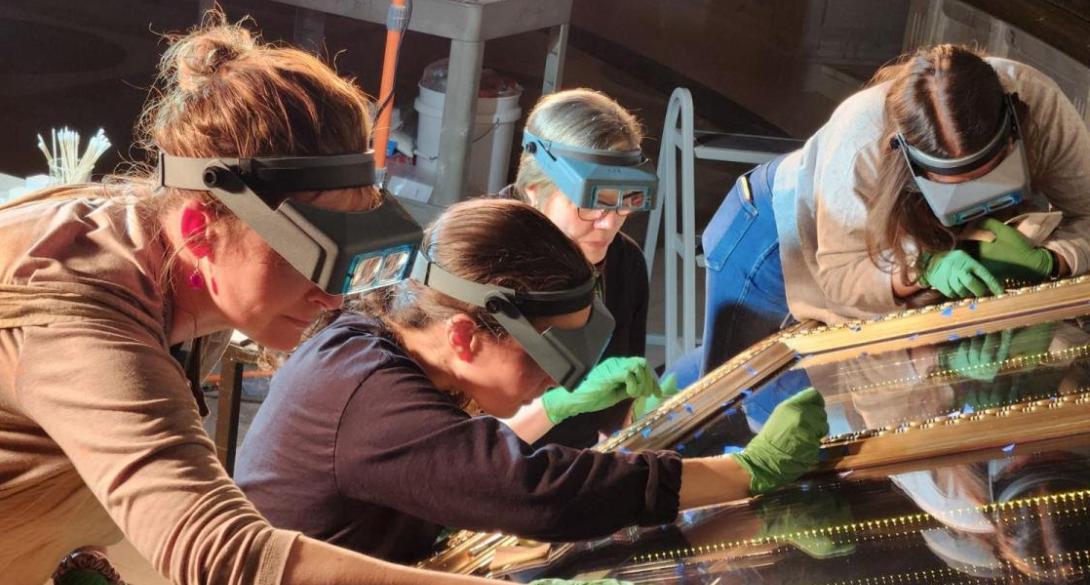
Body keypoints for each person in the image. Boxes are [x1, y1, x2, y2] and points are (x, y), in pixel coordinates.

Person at [0, 14, 521, 585]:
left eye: (346, 261)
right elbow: (218, 553)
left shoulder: (182, 264)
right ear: (197, 229)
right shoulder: (81, 311)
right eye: (306, 259)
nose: (331, 297)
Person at [234, 198, 829, 565]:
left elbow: (452, 457)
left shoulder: (373, 343)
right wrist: (745, 473)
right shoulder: (368, 400)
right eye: (545, 357)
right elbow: (534, 492)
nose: (555, 379)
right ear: (465, 336)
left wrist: (547, 406)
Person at [667, 44, 1090, 388]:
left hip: (868, 235)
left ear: (1013, 126)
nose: (979, 203)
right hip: (774, 239)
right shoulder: (860, 141)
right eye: (956, 186)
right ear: (906, 160)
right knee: (741, 395)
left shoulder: (1040, 106)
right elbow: (839, 273)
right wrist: (921, 269)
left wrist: (1055, 261)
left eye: (990, 177)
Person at [494, 89, 666, 448]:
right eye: (591, 204)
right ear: (532, 190)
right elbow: (457, 446)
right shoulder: (479, 262)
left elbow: (619, 413)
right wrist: (557, 404)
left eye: (624, 204)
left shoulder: (624, 262)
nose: (608, 224)